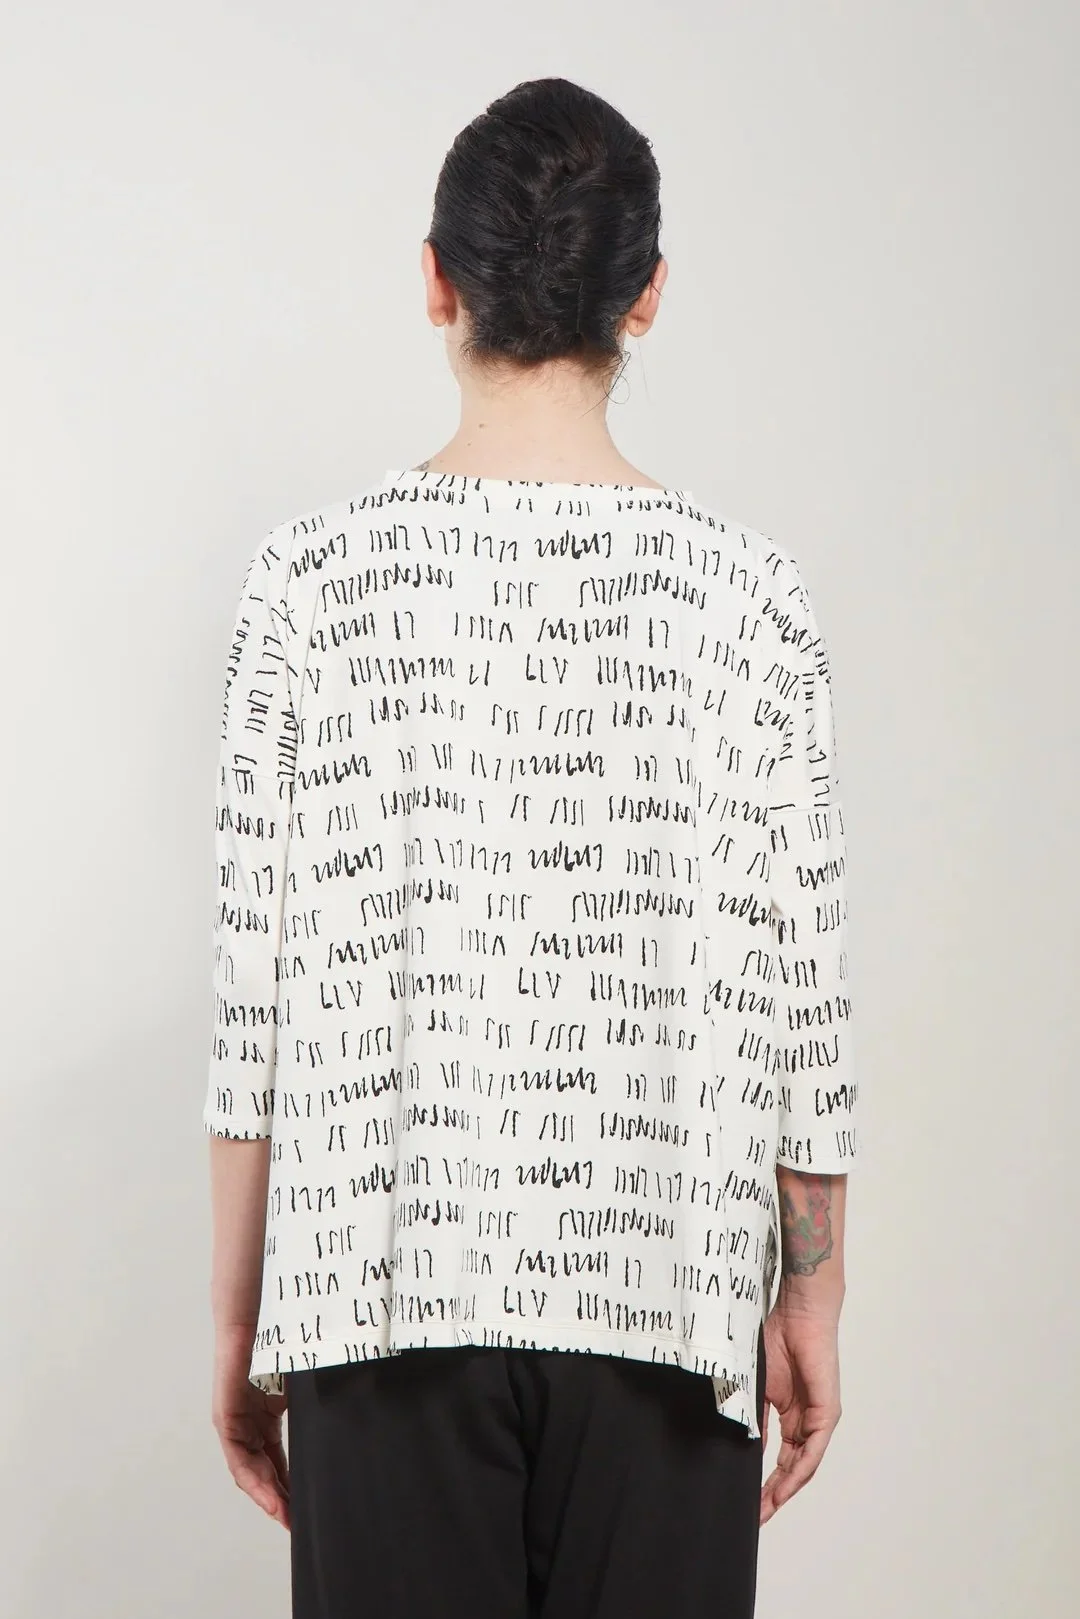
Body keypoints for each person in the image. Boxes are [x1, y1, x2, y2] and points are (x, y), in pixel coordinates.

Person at [204, 74, 859, 1619]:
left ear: (437, 281)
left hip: (379, 1293)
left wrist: (239, 1324)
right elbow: (806, 1002)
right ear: (647, 295)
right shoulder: (751, 605)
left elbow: (254, 1012)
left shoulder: (310, 588)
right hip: (668, 1297)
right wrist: (812, 1295)